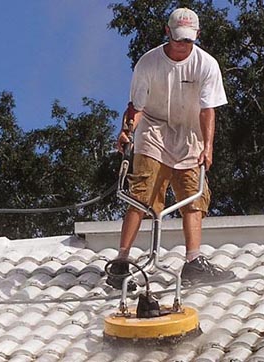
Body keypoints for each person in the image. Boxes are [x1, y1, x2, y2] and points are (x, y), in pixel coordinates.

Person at [107, 7, 234, 290]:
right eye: (178, 39)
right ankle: (122, 261)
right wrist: (126, 131)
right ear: (168, 32)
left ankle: (193, 261)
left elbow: (207, 110)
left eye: (188, 40)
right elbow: (135, 108)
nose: (182, 45)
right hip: (153, 130)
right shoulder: (148, 63)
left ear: (197, 36)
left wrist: (208, 147)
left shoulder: (206, 65)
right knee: (141, 193)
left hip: (190, 132)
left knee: (193, 195)